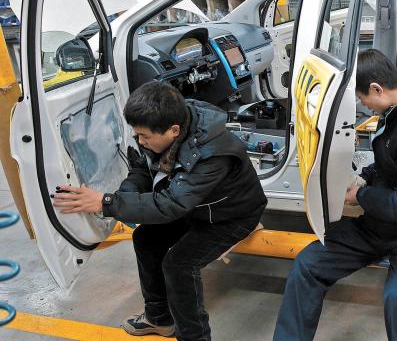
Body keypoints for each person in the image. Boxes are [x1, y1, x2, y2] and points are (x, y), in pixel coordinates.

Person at [273, 49, 397, 341]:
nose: (363, 105)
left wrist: (360, 196)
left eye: (363, 98)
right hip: (382, 221)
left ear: (377, 87)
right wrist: (363, 177)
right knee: (309, 264)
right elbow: (391, 161)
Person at [53, 81, 267, 340]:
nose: (140, 141)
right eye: (137, 135)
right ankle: (160, 319)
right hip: (196, 207)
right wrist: (123, 196)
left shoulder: (212, 153)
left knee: (179, 264)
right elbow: (143, 170)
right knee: (145, 239)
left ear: (173, 130)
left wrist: (107, 203)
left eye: (144, 136)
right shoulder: (166, 124)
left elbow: (171, 205)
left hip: (230, 215)